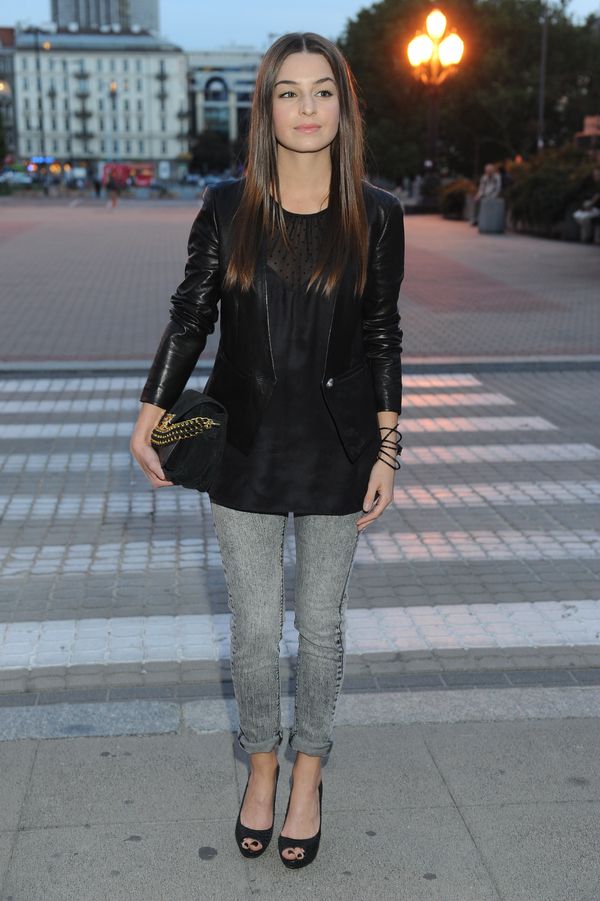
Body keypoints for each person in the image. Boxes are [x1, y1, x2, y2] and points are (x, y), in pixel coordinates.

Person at [130, 31, 405, 870]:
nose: (307, 108)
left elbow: (382, 332)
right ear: (267, 108)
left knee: (319, 627)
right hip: (245, 447)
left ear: (343, 108)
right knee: (253, 631)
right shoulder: (227, 207)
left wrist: (389, 446)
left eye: (323, 91)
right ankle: (261, 765)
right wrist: (150, 411)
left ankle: (309, 771)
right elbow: (192, 313)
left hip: (339, 448)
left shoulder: (378, 213)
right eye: (289, 92)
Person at [573, 166, 600, 243]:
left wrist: (593, 203)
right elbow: (583, 195)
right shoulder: (590, 184)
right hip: (590, 208)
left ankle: (589, 237)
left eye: (598, 175)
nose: (596, 176)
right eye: (595, 174)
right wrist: (588, 205)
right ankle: (586, 237)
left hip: (597, 209)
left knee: (585, 219)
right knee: (580, 217)